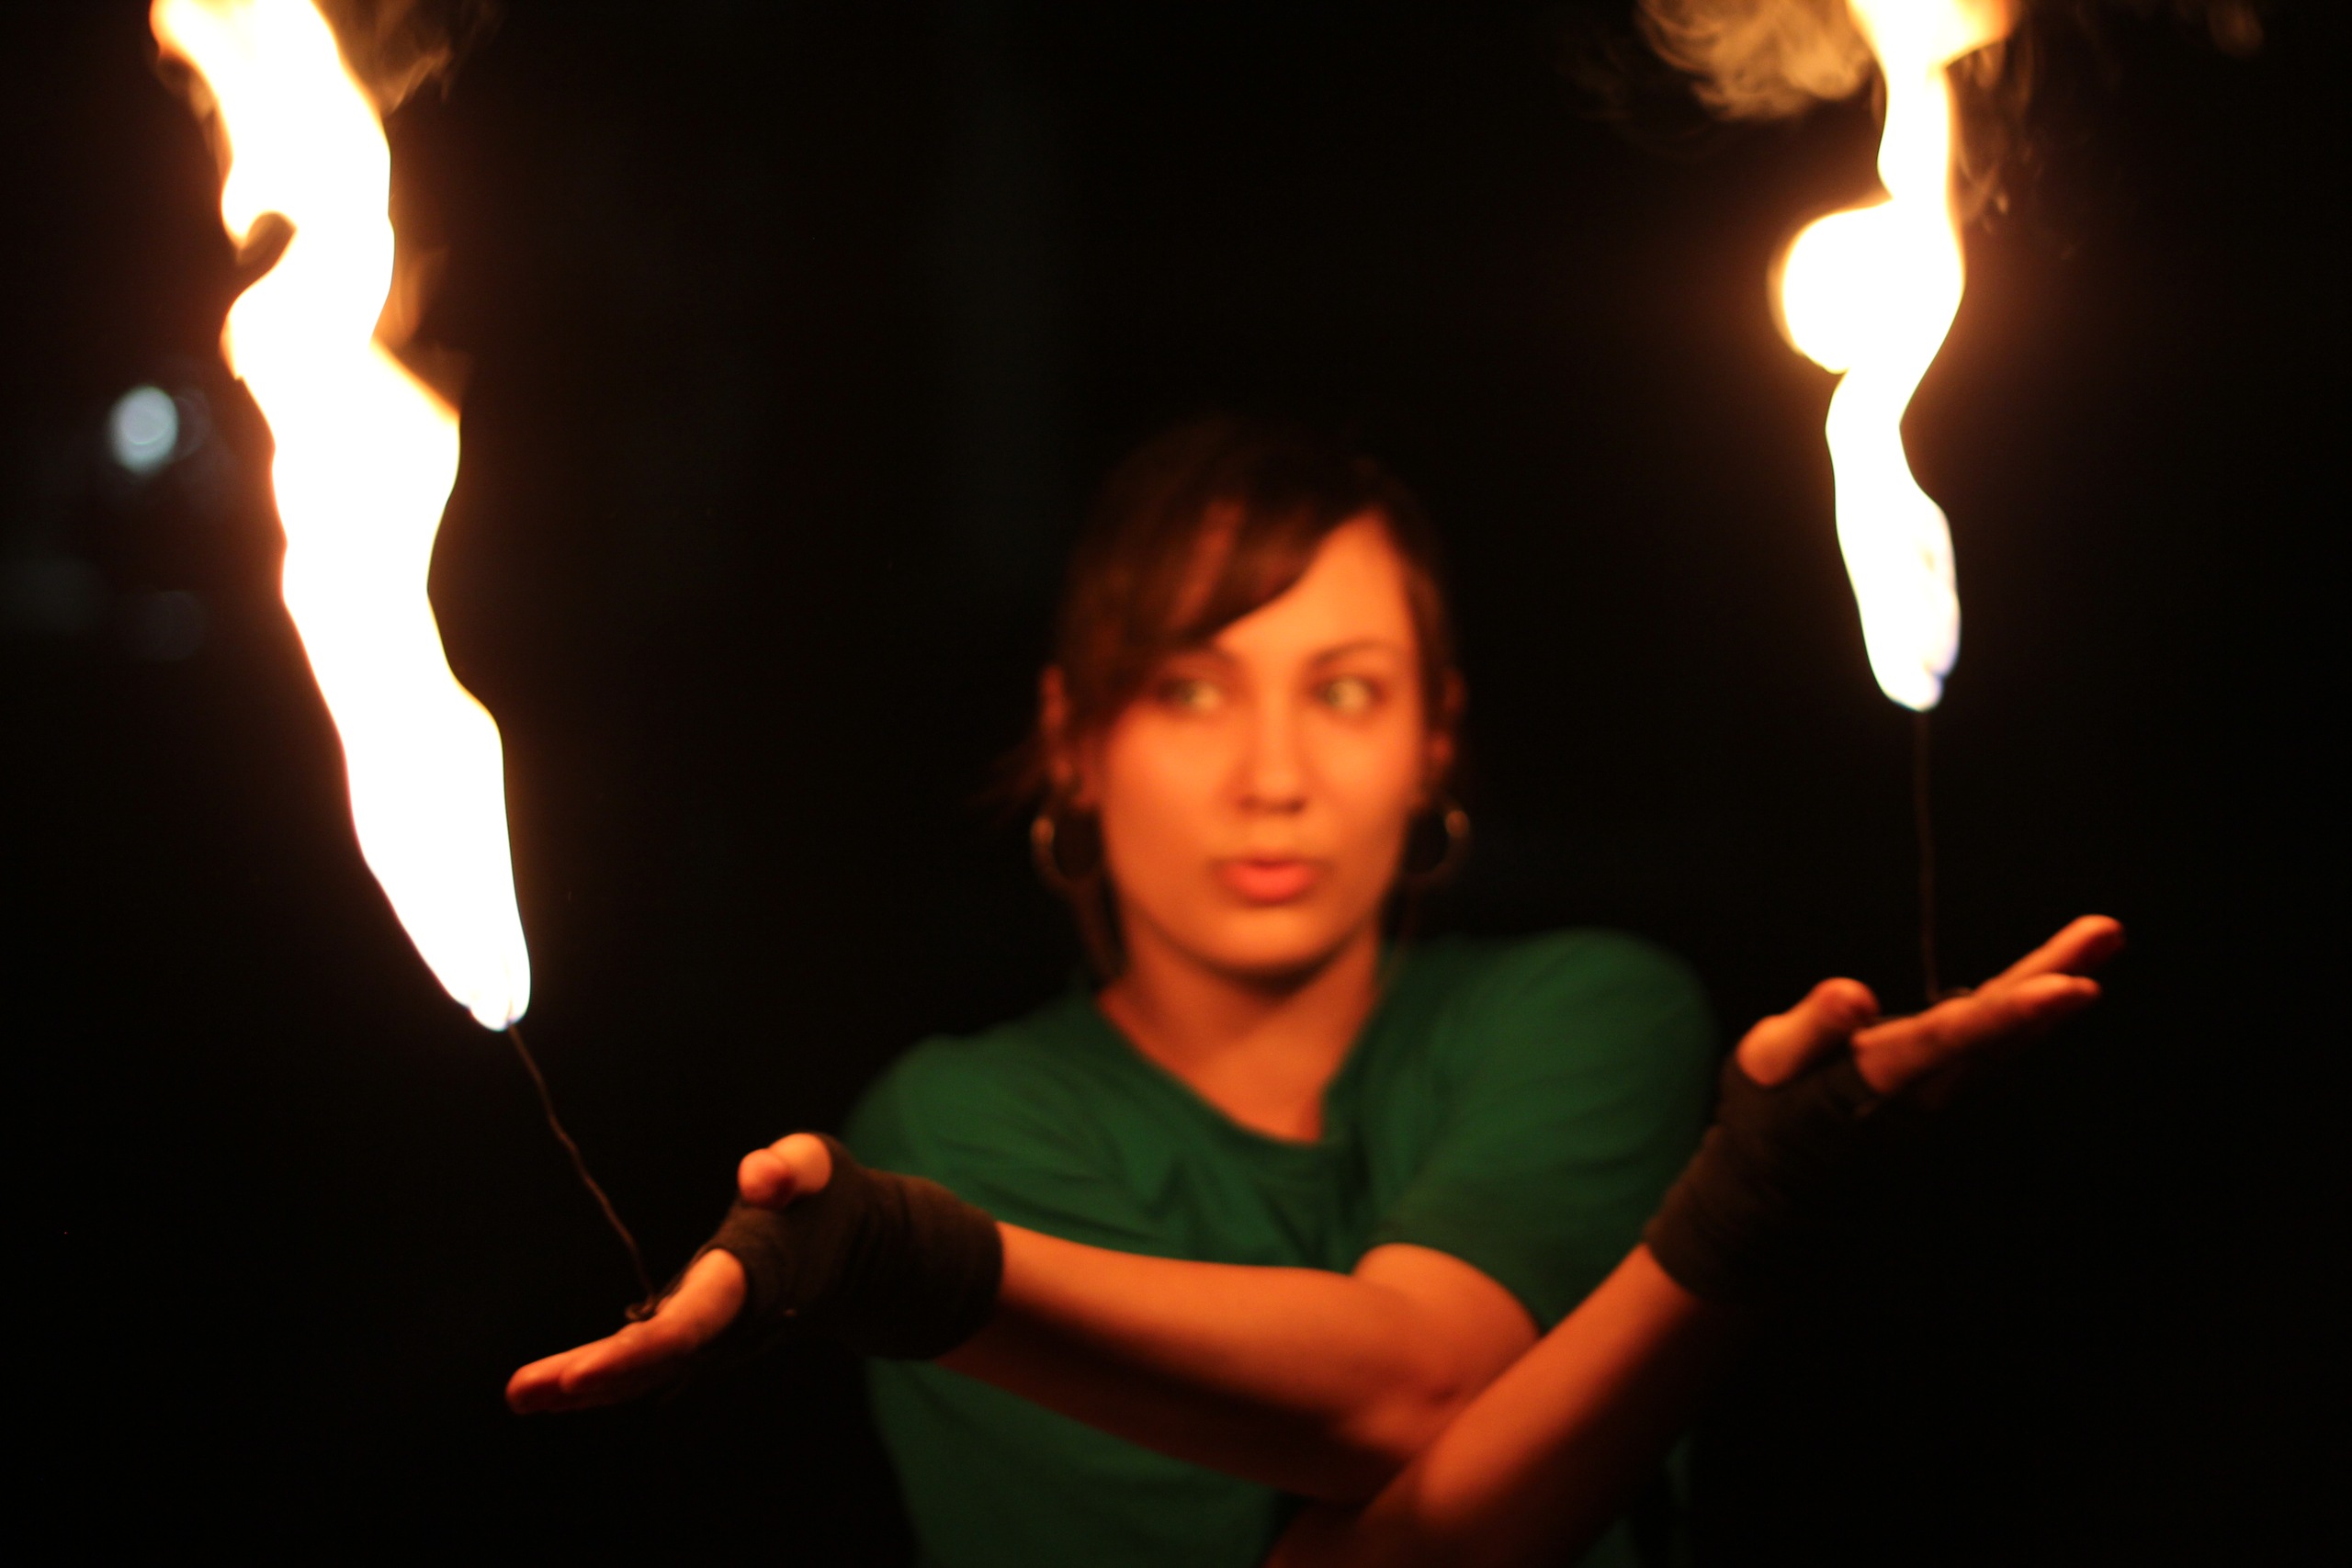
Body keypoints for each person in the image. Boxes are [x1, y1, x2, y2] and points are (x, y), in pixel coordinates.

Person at [508, 417, 2119, 1568]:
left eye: (1345, 692)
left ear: (1434, 743)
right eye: (1189, 691)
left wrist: (912, 1266)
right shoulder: (963, 1123)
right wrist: (1733, 1226)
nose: (1271, 775)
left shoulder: (1587, 1014)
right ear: (1075, 742)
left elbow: (1416, 1377)